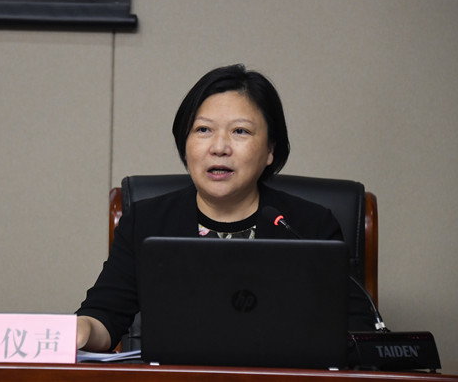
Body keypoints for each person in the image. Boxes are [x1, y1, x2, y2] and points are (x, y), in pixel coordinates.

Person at [76, 64, 376, 352]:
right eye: (203, 129)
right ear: (185, 144)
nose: (219, 147)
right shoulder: (146, 222)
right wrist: (83, 329)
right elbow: (104, 315)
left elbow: (358, 331)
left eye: (240, 131)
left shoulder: (308, 225)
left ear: (270, 150)